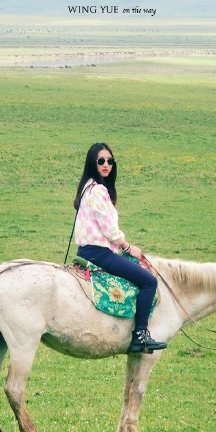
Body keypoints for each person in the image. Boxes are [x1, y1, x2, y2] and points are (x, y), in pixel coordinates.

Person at [74, 142, 167, 354]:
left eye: (110, 161)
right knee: (148, 281)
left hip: (87, 250)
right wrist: (127, 247)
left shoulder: (87, 187)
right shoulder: (98, 190)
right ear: (92, 163)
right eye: (101, 161)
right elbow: (108, 228)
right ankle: (140, 336)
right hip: (99, 253)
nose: (106, 165)